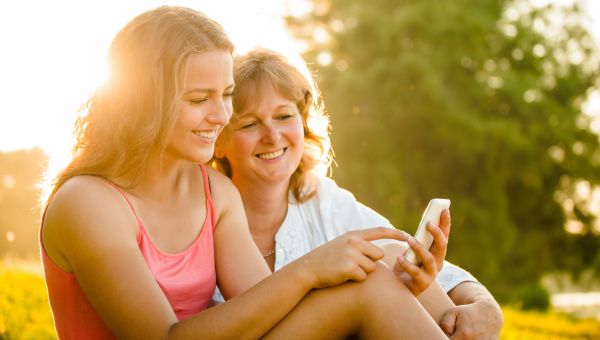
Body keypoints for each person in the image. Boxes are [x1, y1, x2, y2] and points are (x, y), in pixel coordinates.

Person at [40, 6, 452, 339]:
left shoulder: (214, 192)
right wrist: (310, 269)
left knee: (376, 284)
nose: (221, 115)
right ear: (145, 101)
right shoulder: (88, 202)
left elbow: (268, 313)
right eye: (200, 99)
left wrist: (390, 288)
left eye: (226, 95)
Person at [212, 47, 504, 338]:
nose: (272, 136)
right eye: (249, 123)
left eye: (284, 116)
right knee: (374, 280)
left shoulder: (323, 200)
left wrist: (485, 305)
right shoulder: (201, 208)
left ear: (303, 124)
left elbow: (422, 265)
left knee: (391, 258)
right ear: (219, 141)